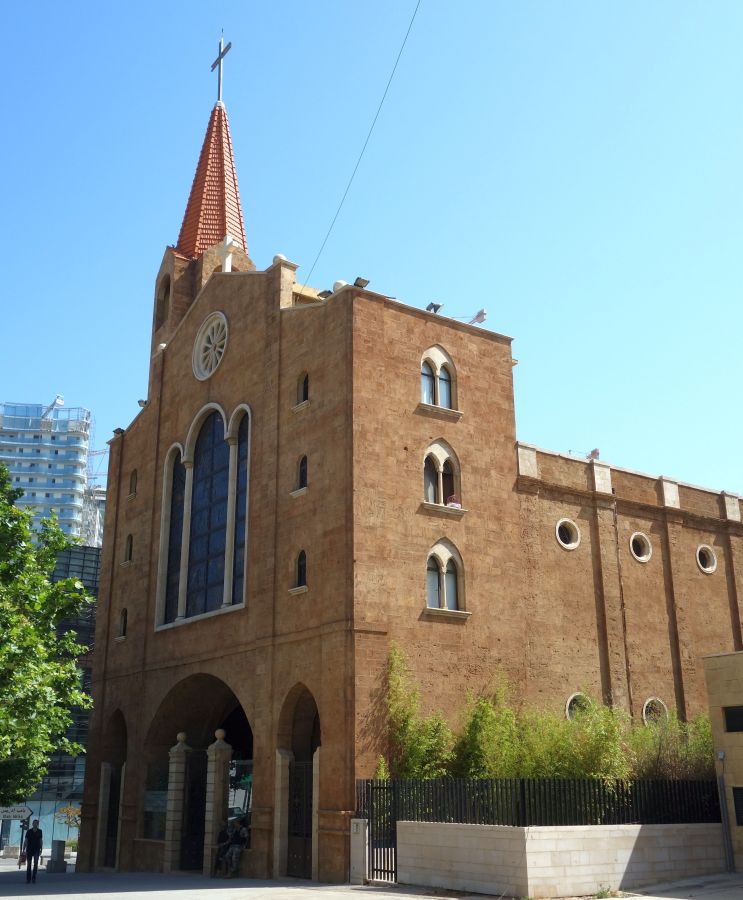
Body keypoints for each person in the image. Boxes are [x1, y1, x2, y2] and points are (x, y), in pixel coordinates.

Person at [24, 820, 43, 884]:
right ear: (32, 824)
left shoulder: (40, 831)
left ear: (37, 824)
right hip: (29, 849)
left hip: (36, 849)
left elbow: (40, 840)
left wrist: (41, 849)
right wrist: (24, 849)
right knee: (29, 864)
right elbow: (26, 840)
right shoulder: (29, 831)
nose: (35, 824)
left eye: (36, 823)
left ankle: (34, 878)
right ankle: (28, 879)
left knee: (35, 864)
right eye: (34, 823)